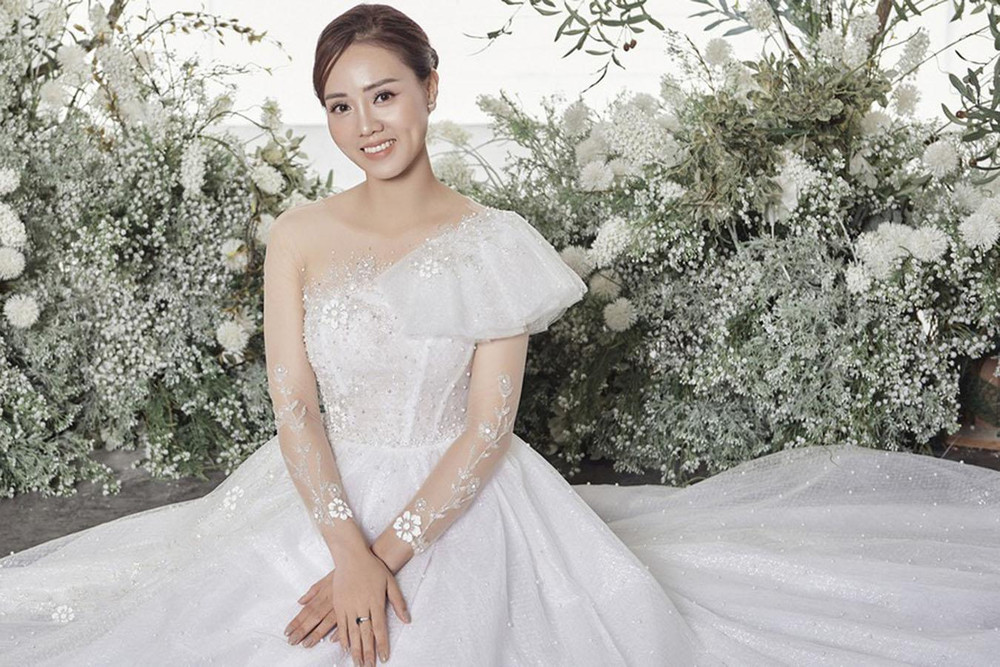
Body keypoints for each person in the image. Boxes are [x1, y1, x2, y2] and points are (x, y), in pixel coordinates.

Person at [2, 3, 999, 666]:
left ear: (430, 89)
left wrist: (385, 557)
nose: (364, 125)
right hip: (314, 487)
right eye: (340, 106)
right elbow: (293, 399)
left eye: (383, 95)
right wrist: (345, 547)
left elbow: (487, 426)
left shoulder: (495, 240)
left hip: (466, 496)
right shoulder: (299, 234)